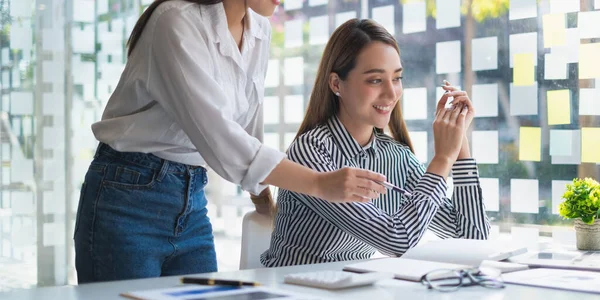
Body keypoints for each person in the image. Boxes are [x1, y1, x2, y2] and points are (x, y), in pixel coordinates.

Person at [74, 0, 388, 283]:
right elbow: (219, 135)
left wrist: (264, 201)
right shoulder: (174, 21)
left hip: (192, 196)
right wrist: (319, 184)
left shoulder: (258, 30)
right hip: (128, 196)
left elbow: (248, 124)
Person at [260, 19, 491, 267]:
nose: (392, 94)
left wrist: (459, 147)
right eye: (375, 80)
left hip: (354, 288)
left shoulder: (396, 157)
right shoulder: (310, 151)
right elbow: (397, 240)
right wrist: (443, 159)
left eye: (397, 78)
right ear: (337, 84)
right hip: (293, 289)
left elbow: (472, 240)